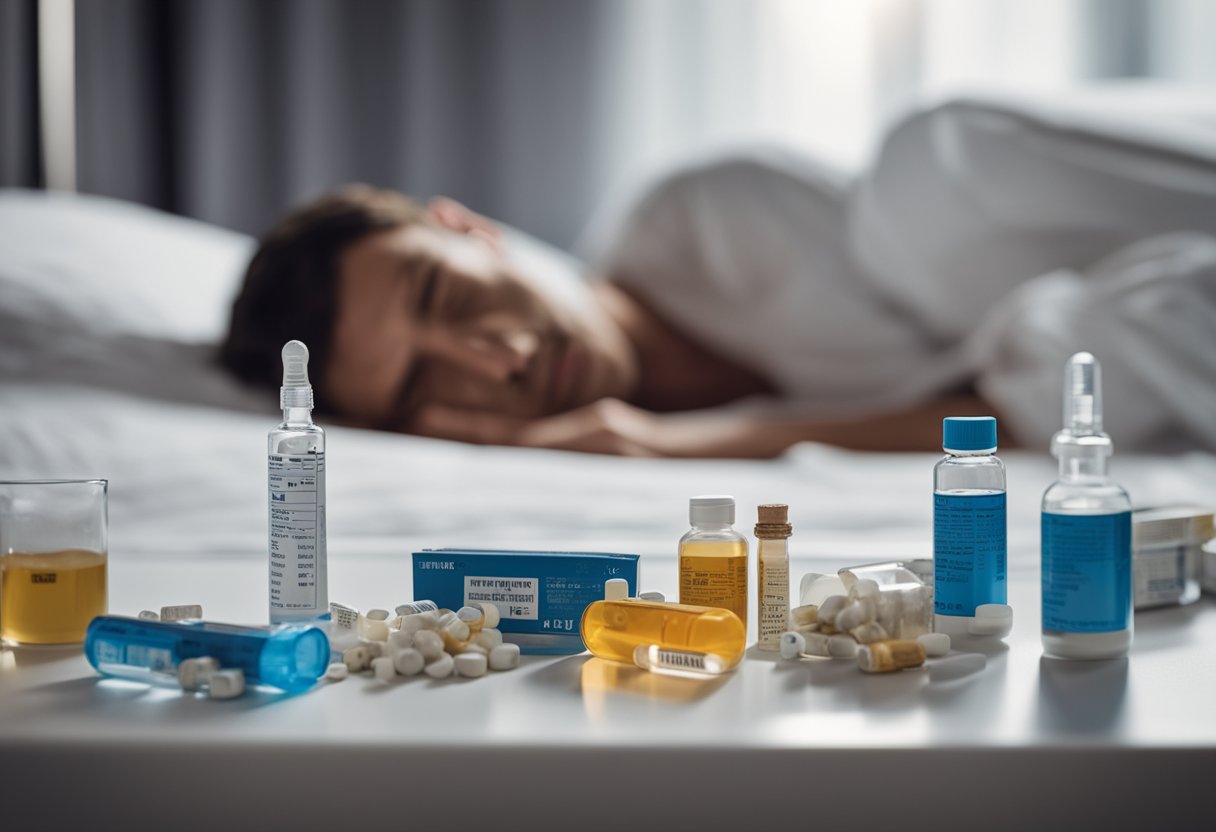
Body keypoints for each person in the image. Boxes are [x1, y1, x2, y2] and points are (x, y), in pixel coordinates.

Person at [221, 96, 1216, 457]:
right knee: (1127, 327)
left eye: (450, 299)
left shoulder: (707, 216)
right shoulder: (584, 445)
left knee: (936, 167)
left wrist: (673, 443)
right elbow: (1038, 400)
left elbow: (1012, 406)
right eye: (423, 387)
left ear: (470, 228)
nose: (504, 359)